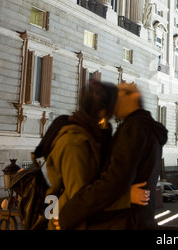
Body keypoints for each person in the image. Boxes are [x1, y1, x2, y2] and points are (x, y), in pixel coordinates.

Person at [58, 82, 168, 230]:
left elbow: (113, 182)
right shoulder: (147, 128)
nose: (113, 100)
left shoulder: (133, 128)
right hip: (137, 220)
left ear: (134, 97)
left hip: (123, 222)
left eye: (118, 94)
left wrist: (68, 214)